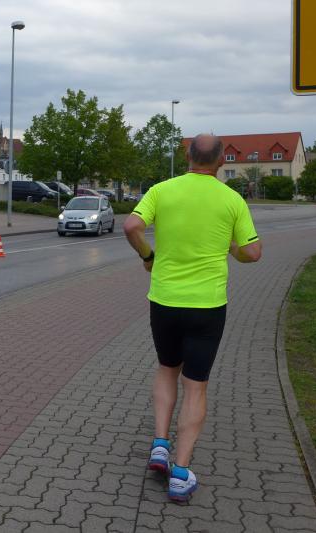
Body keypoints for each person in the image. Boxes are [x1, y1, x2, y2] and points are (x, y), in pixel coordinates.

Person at [123, 134, 262, 502]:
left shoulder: (161, 190)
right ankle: (181, 473)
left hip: (164, 301)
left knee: (167, 368)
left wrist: (148, 256)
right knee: (195, 385)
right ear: (221, 161)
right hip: (207, 305)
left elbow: (131, 226)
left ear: (187, 156)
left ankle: (159, 445)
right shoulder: (232, 200)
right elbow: (253, 252)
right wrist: (231, 248)